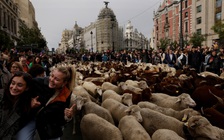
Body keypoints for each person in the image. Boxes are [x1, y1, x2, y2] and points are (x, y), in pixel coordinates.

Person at [16, 63, 76, 140]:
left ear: (64, 83)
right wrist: (29, 104)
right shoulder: (37, 82)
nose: (52, 80)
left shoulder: (66, 93)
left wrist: (67, 116)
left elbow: (61, 120)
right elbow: (22, 95)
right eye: (52, 76)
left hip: (49, 123)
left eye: (57, 79)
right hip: (32, 117)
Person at [0, 71, 33, 139]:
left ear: (27, 88)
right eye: (13, 83)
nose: (14, 87)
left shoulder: (24, 105)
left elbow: (14, 128)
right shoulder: (1, 96)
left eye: (19, 85)